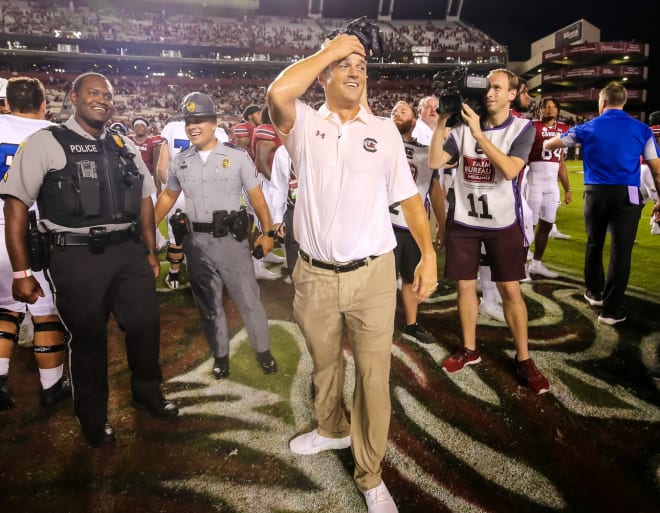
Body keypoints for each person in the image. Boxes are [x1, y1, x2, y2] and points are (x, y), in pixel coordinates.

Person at [267, 33, 437, 513]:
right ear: (323, 74)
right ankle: (331, 429)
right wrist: (332, 49)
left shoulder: (384, 130)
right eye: (344, 64)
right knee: (325, 364)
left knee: (372, 376)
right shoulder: (302, 122)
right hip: (314, 274)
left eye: (361, 63)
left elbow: (408, 199)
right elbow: (279, 94)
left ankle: (370, 473)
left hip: (373, 274)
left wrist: (427, 253)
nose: (355, 70)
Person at [1, 72, 178, 447]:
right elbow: (16, 205)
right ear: (74, 97)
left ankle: (147, 392)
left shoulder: (123, 143)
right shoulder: (46, 141)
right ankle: (93, 417)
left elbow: (145, 198)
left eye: (107, 95)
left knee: (145, 325)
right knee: (88, 338)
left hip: (129, 253)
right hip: (76, 255)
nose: (102, 99)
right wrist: (21, 272)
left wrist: (149, 251)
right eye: (93, 93)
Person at [428, 68, 550, 395]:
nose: (490, 94)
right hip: (466, 223)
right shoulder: (464, 127)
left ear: (512, 94)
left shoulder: (523, 129)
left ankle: (523, 358)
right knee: (465, 288)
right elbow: (437, 161)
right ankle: (469, 349)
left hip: (503, 223)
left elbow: (510, 169)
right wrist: (443, 120)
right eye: (487, 88)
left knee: (510, 291)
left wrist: (479, 134)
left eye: (497, 88)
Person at [154, 92, 278, 380]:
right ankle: (221, 356)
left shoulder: (236, 157)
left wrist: (267, 232)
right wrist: (145, 227)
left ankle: (263, 351)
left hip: (231, 242)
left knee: (249, 300)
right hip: (196, 243)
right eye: (188, 120)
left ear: (213, 122)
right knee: (209, 306)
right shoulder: (181, 161)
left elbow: (258, 198)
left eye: (199, 120)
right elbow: (167, 198)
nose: (192, 126)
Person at [545, 82, 660, 325]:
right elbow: (657, 171)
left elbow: (550, 144)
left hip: (596, 192)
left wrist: (558, 138)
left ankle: (594, 293)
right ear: (624, 102)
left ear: (602, 102)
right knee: (621, 251)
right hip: (628, 193)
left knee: (594, 243)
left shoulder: (588, 127)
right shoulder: (642, 129)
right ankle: (612, 311)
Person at [0, 76, 70, 410]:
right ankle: (51, 386)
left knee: (5, 311)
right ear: (44, 104)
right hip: (32, 234)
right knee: (46, 316)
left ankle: (1, 381)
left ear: (7, 104)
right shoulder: (52, 135)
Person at [390, 100, 446, 344]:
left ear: (414, 120)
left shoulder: (426, 153)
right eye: (393, 111)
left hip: (413, 227)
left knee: (411, 280)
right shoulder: (380, 145)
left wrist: (443, 226)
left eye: (402, 110)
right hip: (382, 226)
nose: (396, 113)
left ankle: (411, 324)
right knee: (380, 282)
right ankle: (379, 325)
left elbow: (435, 192)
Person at [156, 108, 229, 289]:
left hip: (177, 195)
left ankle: (174, 273)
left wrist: (175, 188)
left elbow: (161, 168)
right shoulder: (218, 132)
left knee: (176, 237)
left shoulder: (173, 127)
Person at [526, 98, 572, 278]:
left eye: (553, 107)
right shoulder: (530, 126)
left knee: (547, 224)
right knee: (529, 226)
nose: (549, 109)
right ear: (539, 111)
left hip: (552, 184)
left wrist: (568, 189)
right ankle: (520, 265)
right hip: (533, 181)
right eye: (545, 107)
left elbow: (561, 162)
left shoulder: (563, 129)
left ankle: (536, 263)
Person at [269, 144, 299, 282]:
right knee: (293, 249)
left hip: (317, 210)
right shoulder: (282, 151)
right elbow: (278, 186)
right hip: (293, 209)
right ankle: (299, 291)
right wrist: (277, 218)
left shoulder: (321, 146)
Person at [128, 117, 164, 192]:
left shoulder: (153, 141)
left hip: (149, 176)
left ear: (146, 128)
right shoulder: (128, 140)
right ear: (133, 129)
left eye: (142, 126)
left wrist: (158, 189)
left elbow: (156, 164)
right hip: (131, 177)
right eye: (137, 126)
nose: (139, 128)